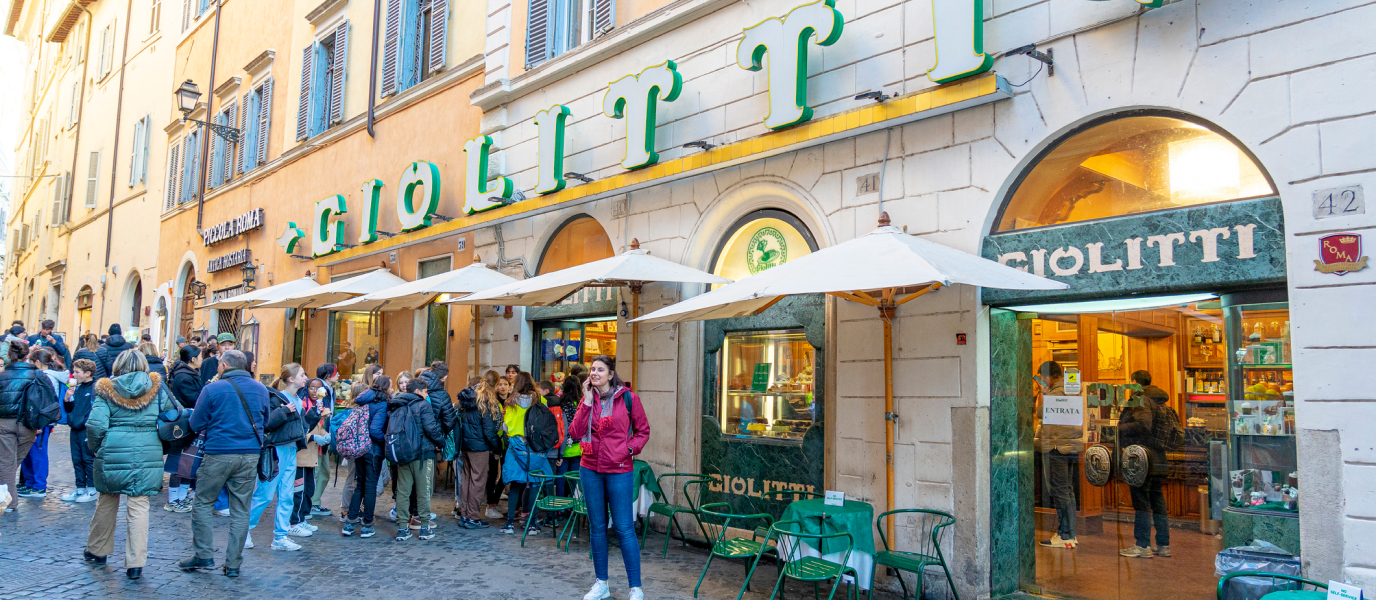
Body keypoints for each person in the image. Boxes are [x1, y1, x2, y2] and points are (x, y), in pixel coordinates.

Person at [83, 349, 177, 580]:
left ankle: (98, 550)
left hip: (113, 448)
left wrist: (95, 446)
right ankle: (135, 563)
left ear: (117, 366)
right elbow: (172, 415)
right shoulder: (157, 388)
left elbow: (95, 425)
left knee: (106, 499)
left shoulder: (106, 389)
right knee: (139, 505)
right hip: (148, 449)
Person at [179, 350, 269, 577]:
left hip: (218, 452)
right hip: (249, 454)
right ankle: (234, 564)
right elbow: (265, 420)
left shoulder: (212, 388)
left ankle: (203, 554)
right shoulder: (260, 389)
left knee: (203, 502)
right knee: (240, 509)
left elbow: (196, 422)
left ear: (224, 365)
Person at [570, 355, 650, 600]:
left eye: (600, 370)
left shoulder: (628, 398)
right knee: (597, 527)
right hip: (590, 468)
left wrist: (627, 450)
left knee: (625, 528)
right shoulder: (588, 400)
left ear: (611, 374)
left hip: (619, 469)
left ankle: (635, 588)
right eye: (592, 369)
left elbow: (643, 431)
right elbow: (574, 432)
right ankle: (601, 583)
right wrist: (585, 401)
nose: (594, 373)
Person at [242, 361, 308, 551]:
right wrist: (285, 410)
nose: (305, 378)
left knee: (287, 495)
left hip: (291, 450)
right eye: (302, 374)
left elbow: (300, 427)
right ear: (291, 379)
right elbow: (268, 423)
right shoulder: (277, 398)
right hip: (276, 451)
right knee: (265, 494)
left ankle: (281, 536)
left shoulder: (298, 400)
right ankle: (244, 531)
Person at [1118, 370, 1173, 559]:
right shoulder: (1159, 400)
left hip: (1142, 457)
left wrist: (1120, 428)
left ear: (1134, 383)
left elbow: (1143, 425)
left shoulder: (1140, 399)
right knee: (1157, 500)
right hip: (1158, 456)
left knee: (1141, 501)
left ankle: (1142, 545)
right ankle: (1163, 545)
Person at [388, 377, 445, 541]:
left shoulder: (397, 403)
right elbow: (431, 429)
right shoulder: (423, 405)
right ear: (418, 391)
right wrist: (441, 443)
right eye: (425, 391)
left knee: (403, 492)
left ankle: (402, 528)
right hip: (422, 454)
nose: (427, 394)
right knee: (423, 491)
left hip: (402, 454)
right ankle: (425, 527)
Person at [1034, 360, 1082, 549]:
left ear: (1046, 377)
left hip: (1056, 447)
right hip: (1069, 447)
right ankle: (1069, 534)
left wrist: (1041, 393)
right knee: (1067, 490)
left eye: (1041, 378)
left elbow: (1040, 412)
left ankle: (1065, 535)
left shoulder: (1055, 393)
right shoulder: (1072, 389)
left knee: (1059, 490)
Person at [500, 372, 551, 535]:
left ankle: (509, 524)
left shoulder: (510, 402)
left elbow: (505, 428)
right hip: (536, 448)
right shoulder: (541, 401)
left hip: (516, 447)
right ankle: (532, 524)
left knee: (515, 485)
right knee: (535, 484)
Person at [343, 375, 392, 538]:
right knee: (370, 487)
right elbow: (375, 430)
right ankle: (367, 525)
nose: (392, 389)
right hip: (373, 451)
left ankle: (350, 523)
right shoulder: (382, 403)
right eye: (391, 386)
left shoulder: (364, 399)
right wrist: (386, 443)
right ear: (386, 387)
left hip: (360, 449)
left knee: (360, 485)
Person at [16, 347, 66, 499]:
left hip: (40, 420)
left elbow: (38, 401)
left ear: (37, 362)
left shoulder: (44, 376)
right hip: (41, 419)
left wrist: (37, 423)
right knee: (31, 452)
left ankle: (38, 486)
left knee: (37, 453)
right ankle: (31, 483)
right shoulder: (48, 375)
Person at [286, 367, 329, 537]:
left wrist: (325, 436)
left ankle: (302, 519)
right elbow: (301, 430)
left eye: (318, 388)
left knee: (309, 489)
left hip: (312, 455)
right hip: (301, 454)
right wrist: (313, 438)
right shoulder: (301, 404)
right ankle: (294, 522)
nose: (315, 391)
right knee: (298, 490)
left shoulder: (319, 406)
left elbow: (318, 428)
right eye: (311, 387)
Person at [457, 371, 502, 529]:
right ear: (495, 384)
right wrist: (498, 447)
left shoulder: (468, 397)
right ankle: (473, 517)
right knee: (478, 482)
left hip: (465, 444)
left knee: (467, 480)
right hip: (479, 447)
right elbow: (489, 431)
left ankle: (465, 515)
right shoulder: (487, 401)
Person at [0, 340, 40, 512]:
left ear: (9, 356)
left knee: (7, 465)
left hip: (5, 423)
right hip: (29, 424)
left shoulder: (2, 376)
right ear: (27, 356)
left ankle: (8, 502)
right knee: (11, 463)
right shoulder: (38, 376)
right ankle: (8, 500)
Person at [62, 358, 98, 503]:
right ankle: (80, 487)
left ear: (88, 373)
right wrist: (66, 399)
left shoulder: (95, 388)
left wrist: (86, 423)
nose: (73, 374)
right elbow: (69, 409)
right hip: (75, 428)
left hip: (86, 430)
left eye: (77, 372)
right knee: (76, 459)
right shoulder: (76, 387)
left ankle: (92, 488)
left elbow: (95, 410)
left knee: (88, 459)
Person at [308, 368, 338, 517]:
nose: (338, 376)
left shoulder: (330, 391)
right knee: (318, 472)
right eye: (311, 388)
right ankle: (312, 503)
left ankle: (314, 502)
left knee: (324, 472)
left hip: (323, 436)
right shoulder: (321, 393)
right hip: (315, 439)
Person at [485, 374, 513, 519]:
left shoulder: (512, 400)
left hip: (507, 442)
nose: (502, 387)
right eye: (500, 384)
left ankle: (495, 499)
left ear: (509, 386)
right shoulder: (493, 401)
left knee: (505, 473)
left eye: (505, 384)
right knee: (492, 474)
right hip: (495, 440)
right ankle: (490, 505)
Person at [555, 373, 584, 501]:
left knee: (561, 478)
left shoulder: (561, 403)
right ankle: (573, 504)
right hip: (578, 447)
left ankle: (561, 505)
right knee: (574, 479)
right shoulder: (581, 403)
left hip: (564, 447)